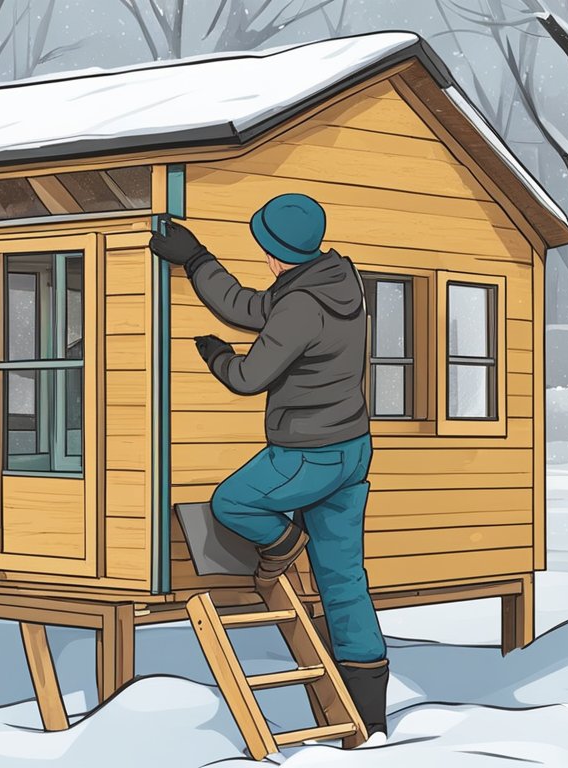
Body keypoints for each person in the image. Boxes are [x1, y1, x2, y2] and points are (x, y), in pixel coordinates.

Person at [150, 193, 389, 737]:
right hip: (351, 448)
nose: (263, 258)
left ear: (277, 252)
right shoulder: (335, 283)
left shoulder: (302, 306)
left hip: (307, 452)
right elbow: (250, 308)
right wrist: (196, 260)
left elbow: (248, 377)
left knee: (232, 501)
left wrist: (215, 356)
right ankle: (368, 711)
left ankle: (281, 543)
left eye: (264, 247)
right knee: (345, 578)